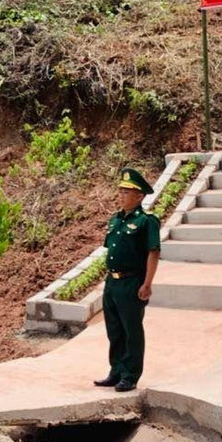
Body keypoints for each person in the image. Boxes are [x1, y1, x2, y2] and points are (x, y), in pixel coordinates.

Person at [93, 168, 161, 394]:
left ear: (139, 196)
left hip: (132, 282)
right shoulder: (116, 220)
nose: (121, 195)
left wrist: (147, 283)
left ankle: (130, 375)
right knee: (114, 330)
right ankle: (116, 371)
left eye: (126, 192)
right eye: (120, 191)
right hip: (112, 283)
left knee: (132, 330)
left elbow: (153, 252)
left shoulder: (146, 221)